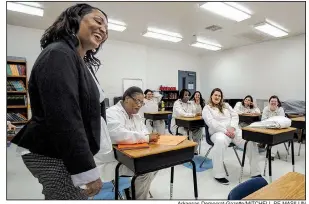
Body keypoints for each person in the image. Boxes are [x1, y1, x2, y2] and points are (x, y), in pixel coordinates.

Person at [11, 4, 111, 199]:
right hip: (53, 153)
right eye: (98, 21)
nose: (103, 30)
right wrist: (85, 171)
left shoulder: (77, 60)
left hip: (61, 151)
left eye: (106, 28)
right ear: (75, 19)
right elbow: (65, 116)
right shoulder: (59, 53)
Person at [94, 86, 159, 200]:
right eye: (137, 101)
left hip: (132, 155)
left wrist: (142, 137)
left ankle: (134, 190)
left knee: (157, 163)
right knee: (145, 170)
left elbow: (144, 131)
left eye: (142, 103)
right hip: (113, 159)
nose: (139, 105)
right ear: (127, 99)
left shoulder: (136, 116)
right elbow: (119, 135)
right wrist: (144, 138)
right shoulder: (111, 113)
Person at [202, 88, 261, 185]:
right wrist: (225, 131)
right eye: (215, 95)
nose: (217, 97)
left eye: (219, 95)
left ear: (221, 97)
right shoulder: (207, 108)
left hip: (233, 130)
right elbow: (212, 123)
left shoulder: (226, 105)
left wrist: (233, 127)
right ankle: (218, 174)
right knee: (220, 141)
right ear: (211, 96)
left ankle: (255, 172)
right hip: (218, 132)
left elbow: (235, 115)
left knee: (250, 140)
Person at [171, 89, 202, 154]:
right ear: (181, 95)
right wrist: (194, 114)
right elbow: (182, 114)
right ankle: (186, 153)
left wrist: (197, 104)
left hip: (189, 124)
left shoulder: (190, 103)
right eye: (185, 95)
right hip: (178, 125)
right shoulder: (177, 103)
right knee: (188, 133)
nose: (187, 96)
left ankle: (193, 151)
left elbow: (196, 111)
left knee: (199, 130)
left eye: (188, 95)